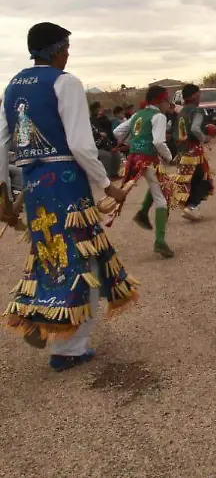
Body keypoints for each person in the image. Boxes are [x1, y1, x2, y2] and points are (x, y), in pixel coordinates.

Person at [0, 22, 139, 370]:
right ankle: (70, 347)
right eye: (66, 47)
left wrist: (3, 190)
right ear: (57, 49)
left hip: (35, 187)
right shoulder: (66, 82)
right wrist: (107, 185)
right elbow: (79, 143)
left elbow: (3, 142)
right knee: (82, 259)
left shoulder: (13, 86)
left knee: (49, 254)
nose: (68, 54)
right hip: (65, 184)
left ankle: (43, 318)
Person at [114, 86, 178, 258]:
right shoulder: (159, 117)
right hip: (148, 159)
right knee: (161, 198)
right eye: (167, 100)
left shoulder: (137, 115)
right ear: (160, 101)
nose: (168, 104)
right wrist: (169, 157)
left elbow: (117, 131)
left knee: (158, 185)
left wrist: (134, 141)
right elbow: (158, 142)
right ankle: (159, 241)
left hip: (134, 158)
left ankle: (143, 213)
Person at [173, 84, 215, 222]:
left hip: (181, 151)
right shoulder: (197, 111)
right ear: (195, 95)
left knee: (190, 180)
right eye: (199, 94)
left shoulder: (181, 112)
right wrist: (205, 138)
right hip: (193, 152)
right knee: (204, 179)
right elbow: (196, 128)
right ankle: (191, 207)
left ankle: (190, 208)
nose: (199, 97)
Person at [90, 101, 121, 179]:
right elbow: (93, 132)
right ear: (97, 109)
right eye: (101, 107)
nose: (103, 109)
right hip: (96, 146)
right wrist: (99, 134)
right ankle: (106, 177)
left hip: (107, 144)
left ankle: (114, 174)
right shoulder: (91, 120)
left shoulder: (105, 119)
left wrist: (114, 143)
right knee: (106, 155)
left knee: (116, 154)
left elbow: (109, 133)